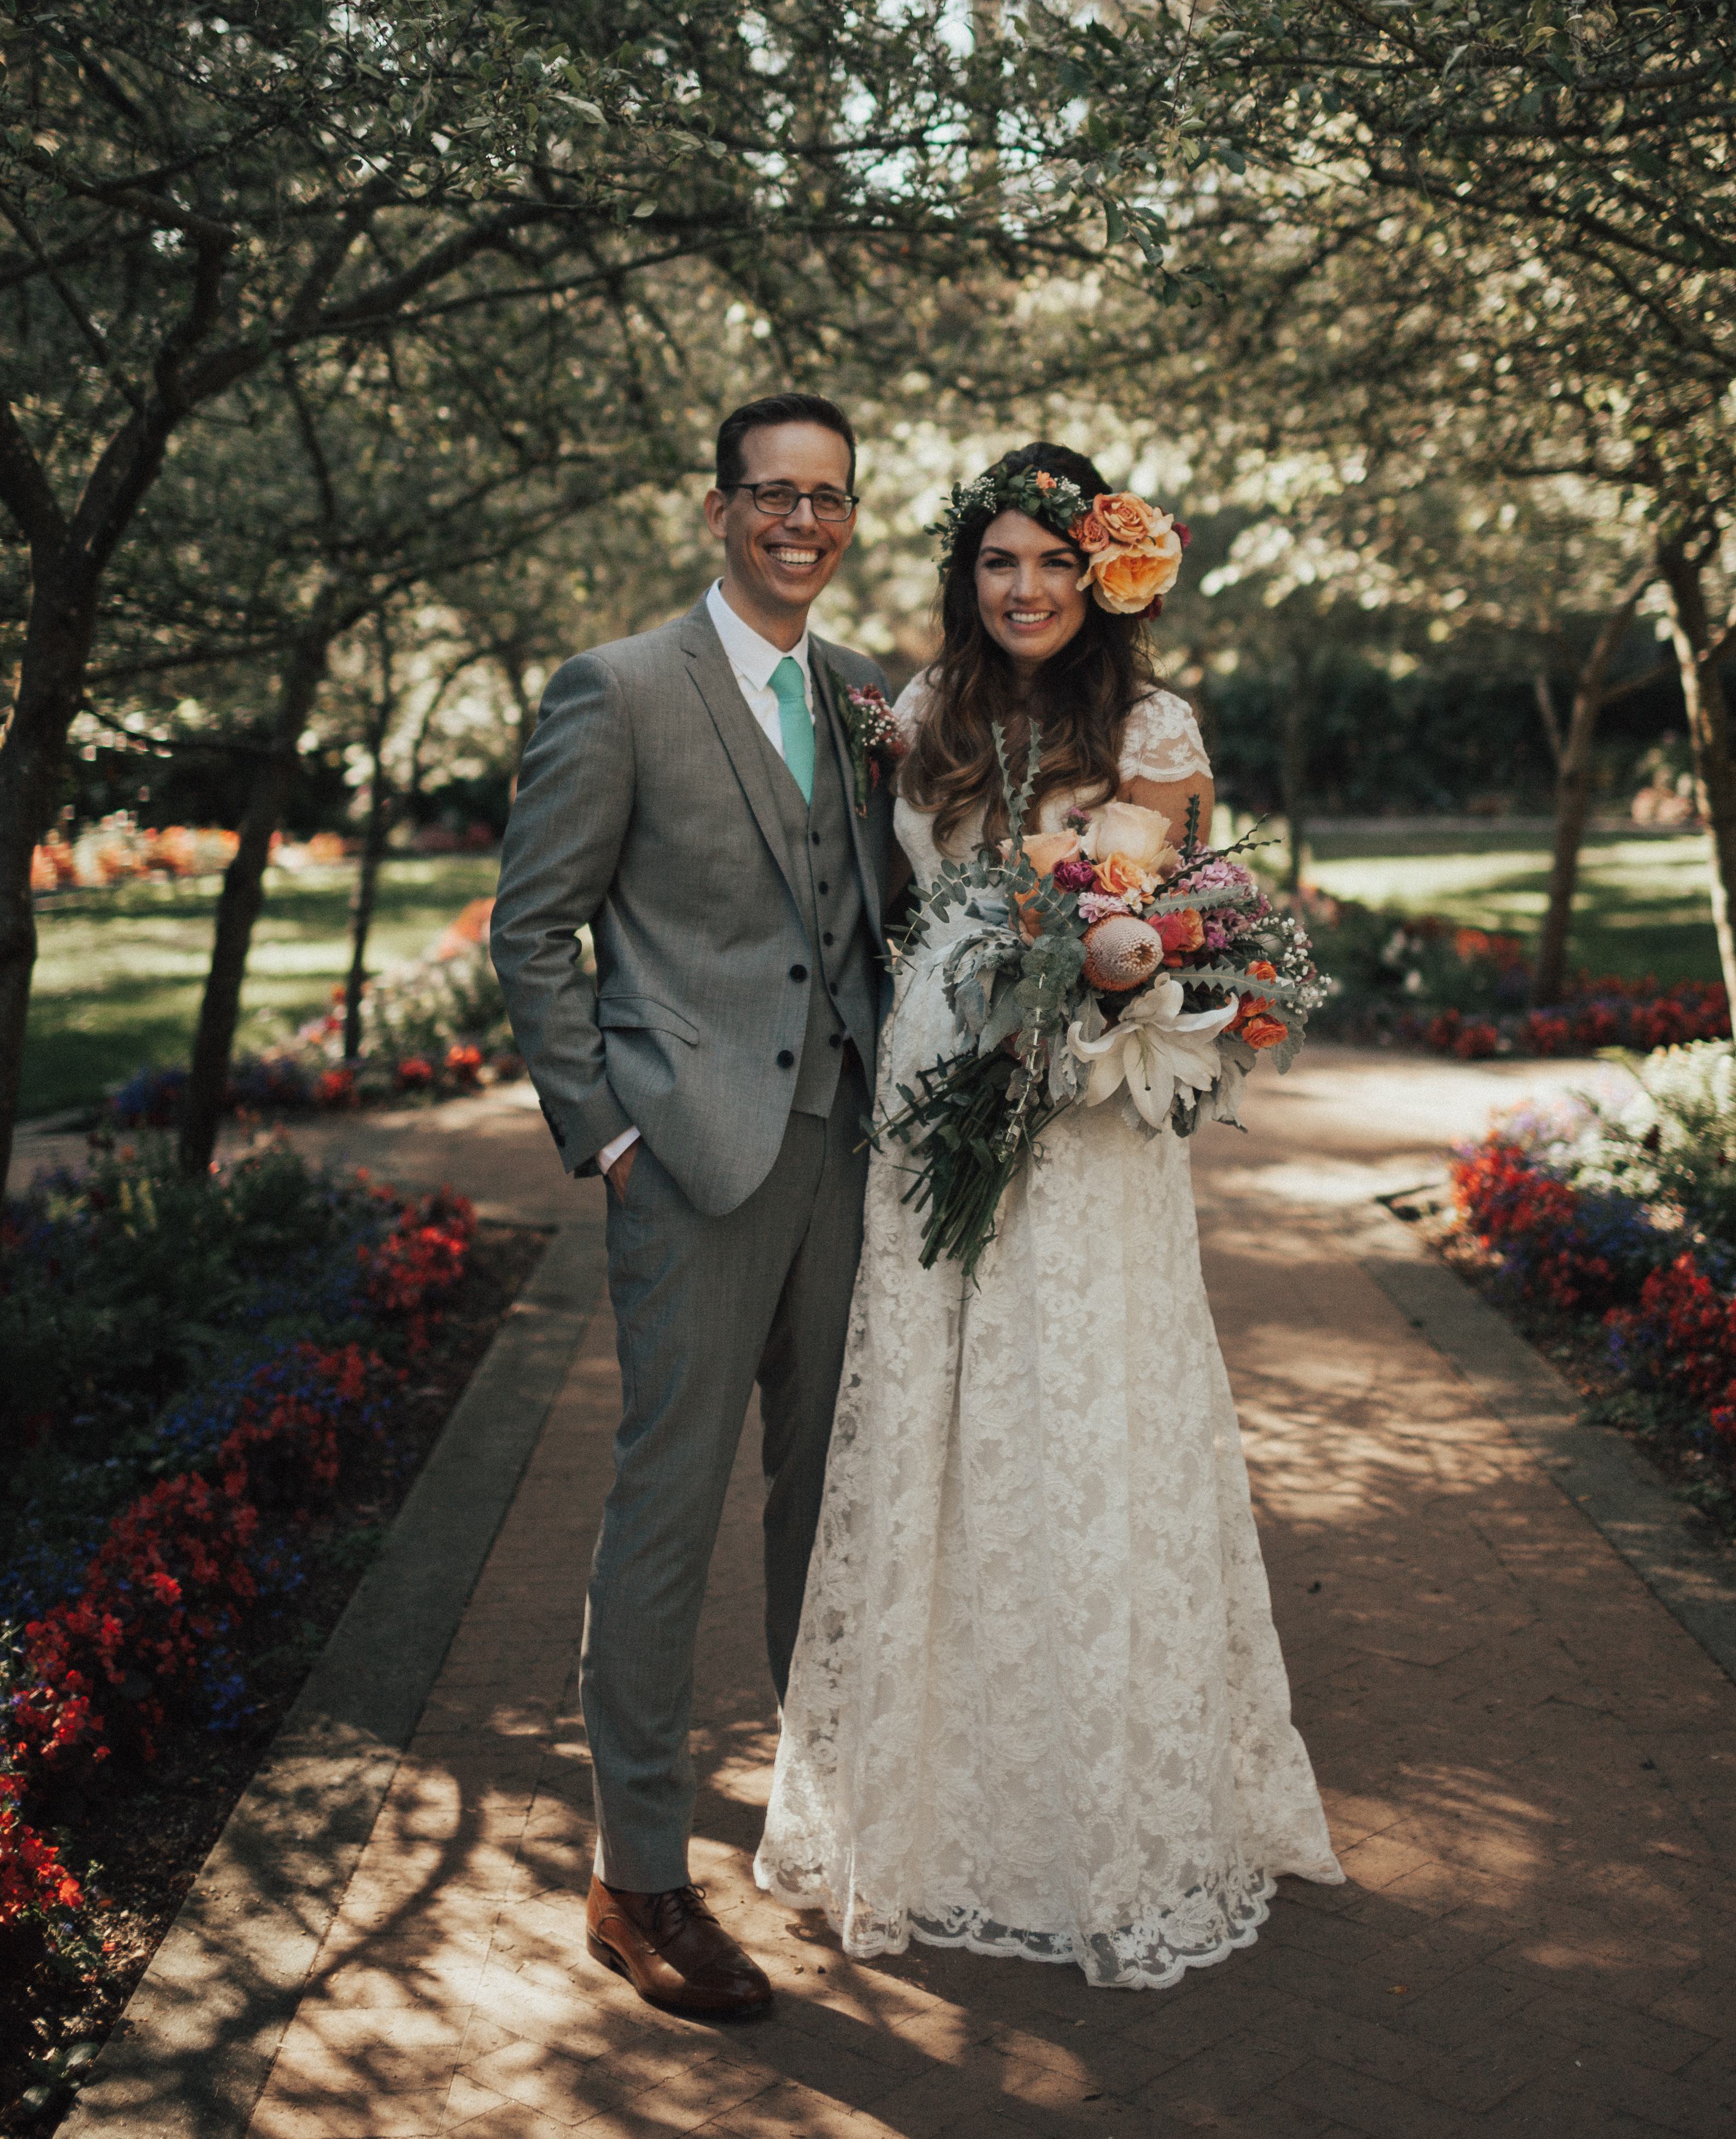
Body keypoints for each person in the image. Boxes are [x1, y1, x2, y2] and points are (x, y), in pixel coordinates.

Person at [757, 441, 1343, 1987]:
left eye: (1053, 562)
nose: (1023, 589)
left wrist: (1117, 967)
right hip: (929, 1093)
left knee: (1083, 1419)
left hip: (1083, 1109)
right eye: (997, 562)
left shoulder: (1149, 724)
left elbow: (1166, 903)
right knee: (938, 1426)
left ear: (1104, 578)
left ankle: (1121, 1818)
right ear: (965, 578)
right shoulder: (922, 716)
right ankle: (936, 1810)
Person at [490, 393, 899, 2021]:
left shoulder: (867, 693)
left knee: (832, 1508)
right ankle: (637, 1872)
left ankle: (820, 1821)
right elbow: (535, 930)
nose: (803, 521)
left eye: (830, 499)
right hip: (689, 1162)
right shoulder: (618, 689)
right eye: (773, 495)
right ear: (716, 510)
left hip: (847, 1155)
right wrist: (603, 1136)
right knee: (665, 1512)